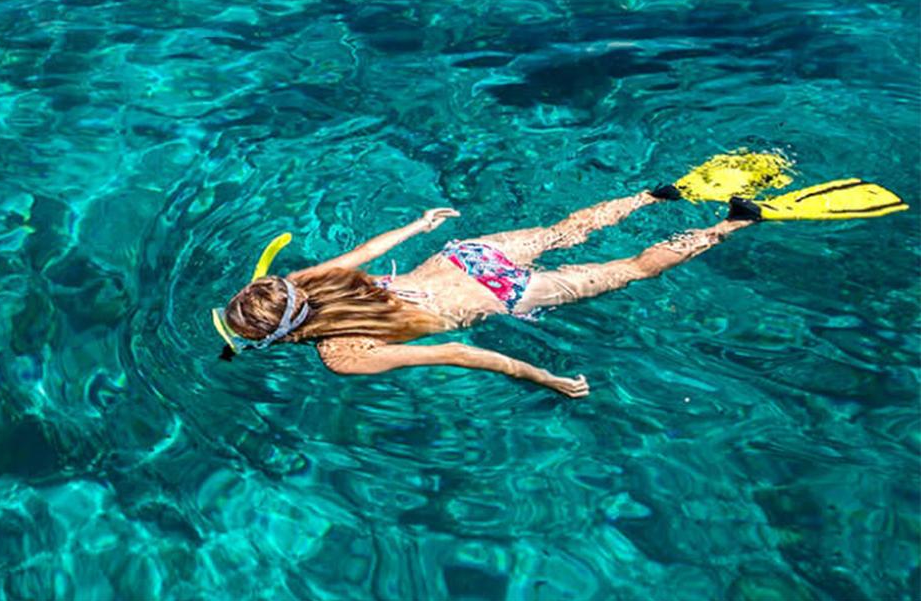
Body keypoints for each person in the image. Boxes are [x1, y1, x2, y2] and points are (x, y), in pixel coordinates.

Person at [214, 154, 909, 399]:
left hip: (502, 296)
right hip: (466, 255)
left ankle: (738, 221)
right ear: (281, 293)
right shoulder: (310, 280)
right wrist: (423, 228)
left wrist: (547, 379)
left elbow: (459, 350)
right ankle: (657, 195)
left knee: (635, 268)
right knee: (568, 229)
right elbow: (361, 253)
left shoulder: (343, 355)